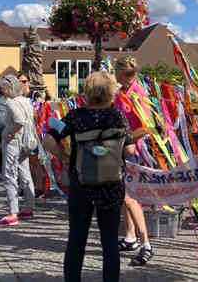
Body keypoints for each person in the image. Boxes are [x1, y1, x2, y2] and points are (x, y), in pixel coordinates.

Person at [41, 71, 131, 282]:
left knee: (76, 240)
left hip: (81, 186)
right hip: (111, 187)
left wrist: (63, 156)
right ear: (110, 92)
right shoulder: (117, 116)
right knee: (109, 242)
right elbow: (131, 152)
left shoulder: (75, 116)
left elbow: (48, 141)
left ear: (87, 92)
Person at [111, 57, 156, 266]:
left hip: (135, 151)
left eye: (118, 73)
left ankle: (146, 243)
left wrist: (122, 141)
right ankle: (130, 237)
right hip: (122, 150)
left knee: (130, 198)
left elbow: (147, 127)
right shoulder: (120, 93)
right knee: (124, 196)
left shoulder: (139, 94)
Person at [0, 74, 37, 226]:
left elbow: (19, 121)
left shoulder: (11, 103)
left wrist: (9, 134)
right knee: (25, 173)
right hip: (26, 142)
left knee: (10, 174)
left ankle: (13, 213)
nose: (1, 91)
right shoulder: (26, 101)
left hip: (14, 142)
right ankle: (29, 207)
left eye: (2, 88)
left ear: (8, 88)